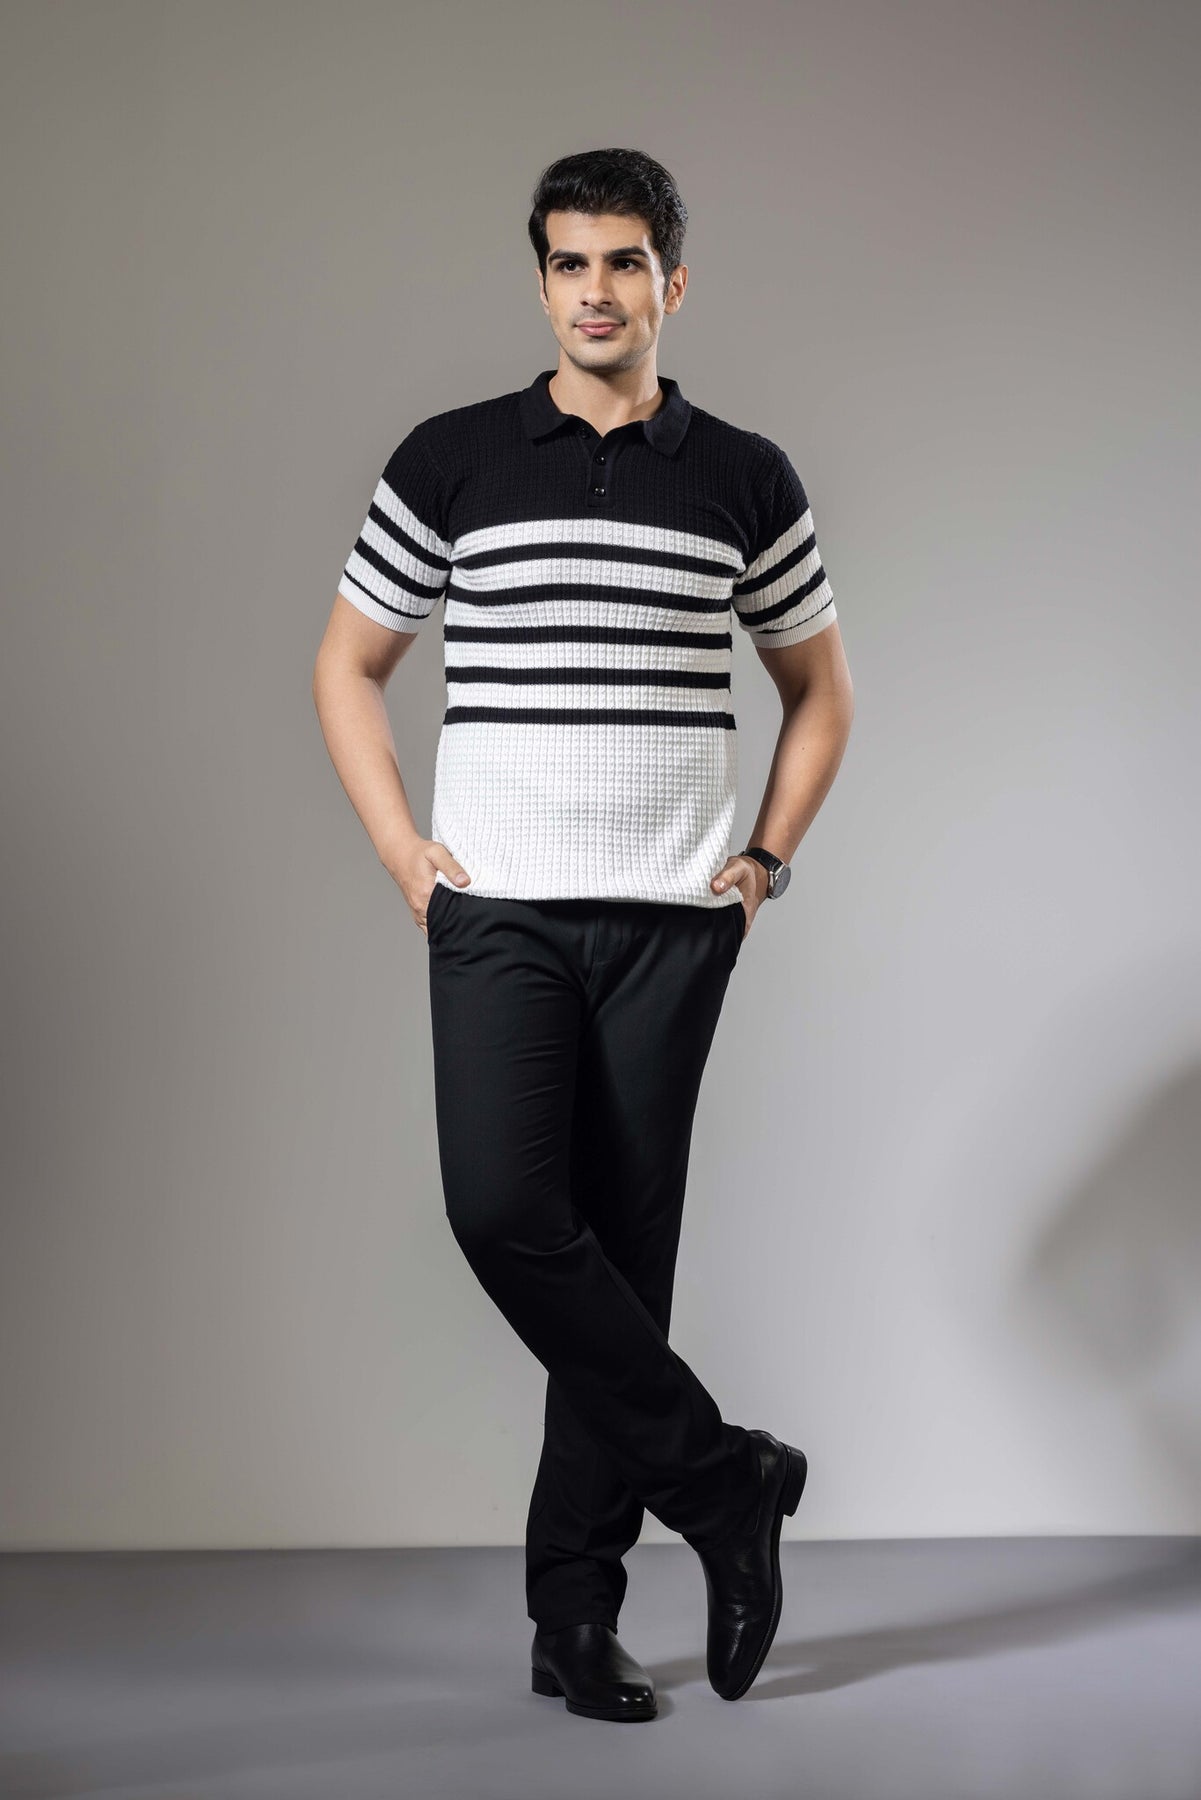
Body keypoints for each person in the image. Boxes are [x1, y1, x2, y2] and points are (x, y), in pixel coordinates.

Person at [313, 146, 854, 1720]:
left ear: (671, 282)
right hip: (496, 911)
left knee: (618, 1261)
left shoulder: (742, 476)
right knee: (504, 1211)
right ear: (541, 281)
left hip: (671, 923)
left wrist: (762, 860)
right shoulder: (453, 459)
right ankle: (724, 1482)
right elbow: (348, 666)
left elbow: (819, 694)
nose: (596, 291)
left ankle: (574, 1619)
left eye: (623, 262)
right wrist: (404, 853)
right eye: (569, 263)